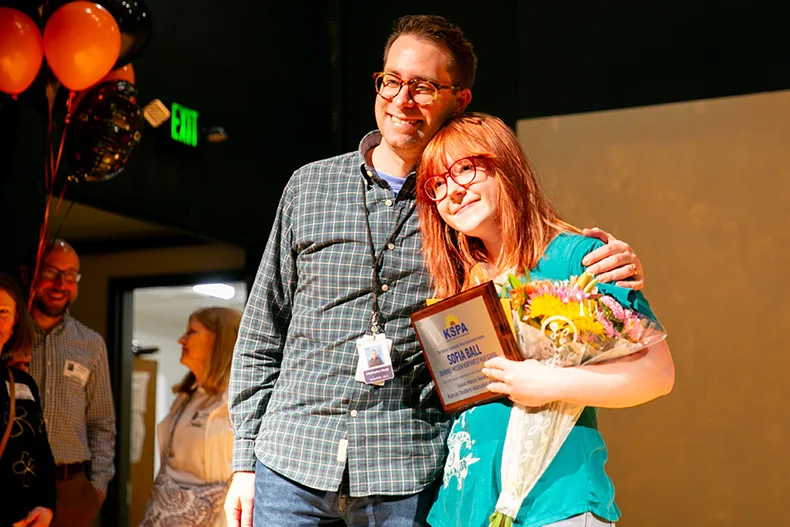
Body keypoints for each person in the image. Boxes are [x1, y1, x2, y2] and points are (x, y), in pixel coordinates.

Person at [225, 15, 646, 527]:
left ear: (459, 99)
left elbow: (527, 243)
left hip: (405, 470)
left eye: (423, 86)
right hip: (290, 462)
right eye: (391, 81)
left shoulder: (460, 213)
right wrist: (244, 461)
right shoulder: (308, 187)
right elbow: (261, 331)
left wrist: (604, 257)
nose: (402, 99)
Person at [415, 113, 675, 527]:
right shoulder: (458, 284)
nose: (452, 190)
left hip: (554, 504)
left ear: (506, 164)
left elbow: (658, 373)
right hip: (460, 511)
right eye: (437, 184)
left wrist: (547, 384)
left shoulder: (579, 258)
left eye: (465, 168)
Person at [27, 239, 116, 527]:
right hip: (13, 482)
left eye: (70, 275)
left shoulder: (90, 344)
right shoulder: (10, 334)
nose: (60, 284)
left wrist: (98, 489)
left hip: (71, 490)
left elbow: (102, 422)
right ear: (31, 273)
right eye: (52, 272)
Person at [141, 307, 241, 527]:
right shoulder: (186, 396)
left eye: (191, 332)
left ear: (219, 339)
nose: (180, 340)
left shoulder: (237, 401)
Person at [0, 272, 56, 527]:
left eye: (2, 312)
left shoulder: (22, 383)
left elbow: (41, 450)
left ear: (15, 321)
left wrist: (46, 506)